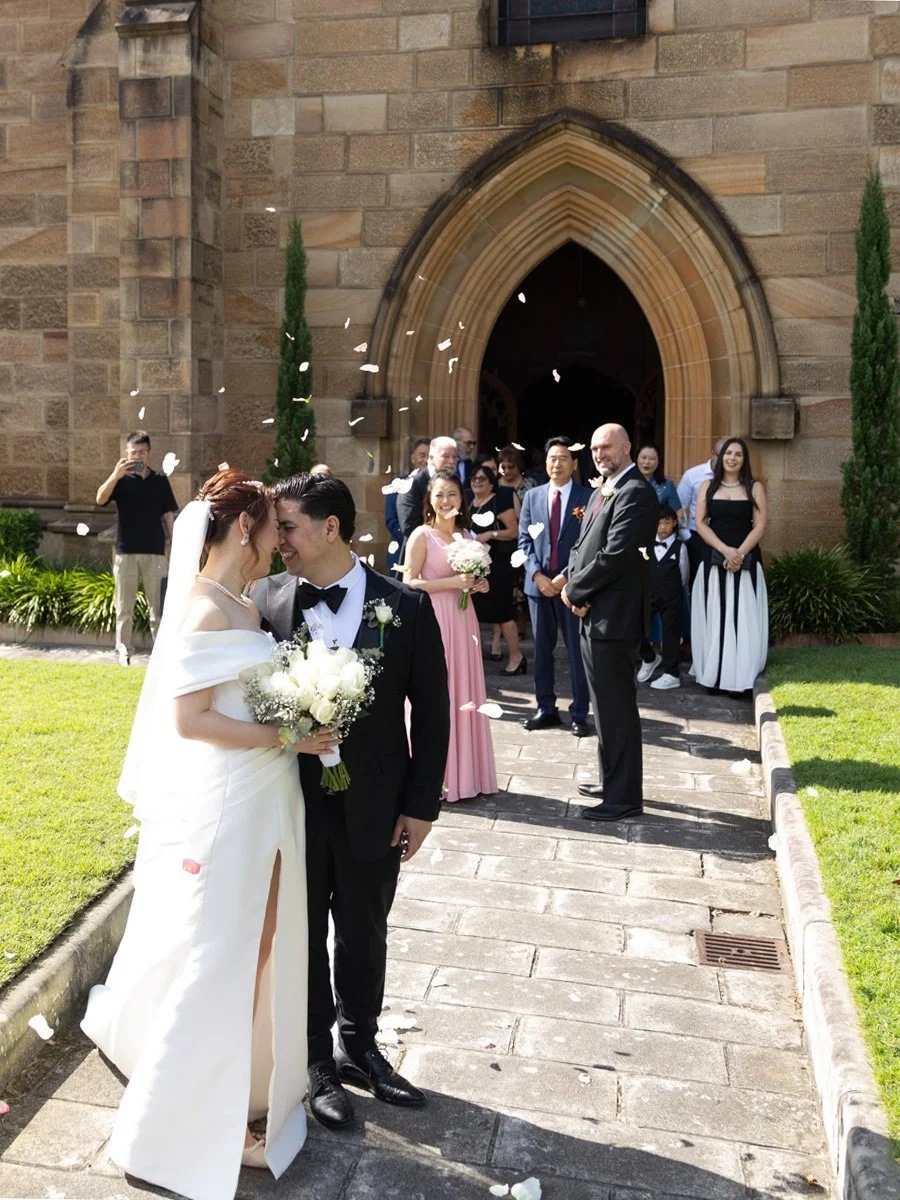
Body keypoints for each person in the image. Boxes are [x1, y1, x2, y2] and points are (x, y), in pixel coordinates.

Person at [82, 470, 330, 1200]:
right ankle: (167, 1126)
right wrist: (284, 733)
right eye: (268, 527)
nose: (275, 539)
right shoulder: (200, 610)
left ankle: (242, 1095)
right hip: (235, 797)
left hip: (272, 796)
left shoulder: (243, 603)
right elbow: (190, 723)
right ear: (239, 530)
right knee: (224, 951)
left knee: (261, 948)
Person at [254, 473, 449, 1131]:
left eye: (288, 526)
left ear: (330, 527)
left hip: (377, 805)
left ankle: (360, 1044)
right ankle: (315, 1062)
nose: (277, 539)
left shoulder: (407, 606)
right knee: (303, 932)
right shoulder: (266, 601)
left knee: (366, 926)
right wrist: (293, 731)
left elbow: (434, 711)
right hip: (292, 803)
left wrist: (423, 806)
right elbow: (248, 700)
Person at [563, 423, 659, 822]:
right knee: (604, 707)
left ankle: (623, 799)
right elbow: (583, 545)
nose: (600, 454)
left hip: (614, 620)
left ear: (627, 447)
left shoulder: (635, 492)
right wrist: (571, 580)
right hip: (596, 614)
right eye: (595, 448)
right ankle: (612, 778)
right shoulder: (607, 488)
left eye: (607, 447)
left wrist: (575, 591)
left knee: (616, 708)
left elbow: (616, 556)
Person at [404, 472, 498, 803]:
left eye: (453, 495)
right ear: (429, 500)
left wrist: (477, 585)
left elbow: (469, 581)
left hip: (464, 620)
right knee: (437, 694)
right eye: (440, 495)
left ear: (462, 499)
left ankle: (468, 775)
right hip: (434, 620)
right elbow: (408, 583)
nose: (447, 501)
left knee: (465, 691)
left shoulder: (467, 535)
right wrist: (452, 583)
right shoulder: (421, 536)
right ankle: (437, 776)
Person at [519, 437, 593, 737]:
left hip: (571, 587)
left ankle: (579, 713)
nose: (557, 464)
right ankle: (545, 708)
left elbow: (588, 543)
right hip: (538, 587)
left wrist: (565, 576)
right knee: (542, 650)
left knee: (576, 652)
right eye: (552, 458)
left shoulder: (587, 498)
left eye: (563, 458)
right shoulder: (532, 496)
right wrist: (537, 575)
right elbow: (523, 541)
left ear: (574, 464)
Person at [691, 437, 768, 695]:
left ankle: (741, 677)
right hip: (714, 557)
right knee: (716, 614)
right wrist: (725, 551)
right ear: (720, 456)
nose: (732, 458)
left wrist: (739, 554)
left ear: (744, 460)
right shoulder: (707, 486)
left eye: (738, 454)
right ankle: (714, 675)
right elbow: (701, 524)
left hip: (746, 557)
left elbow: (760, 525)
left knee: (741, 614)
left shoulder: (754, 487)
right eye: (728, 453)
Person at [96, 431, 178, 667]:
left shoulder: (160, 480)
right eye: (133, 453)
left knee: (159, 609)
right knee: (124, 608)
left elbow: (168, 515)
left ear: (149, 453)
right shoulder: (120, 481)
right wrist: (115, 474)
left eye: (142, 452)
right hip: (126, 552)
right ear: (126, 454)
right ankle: (124, 649)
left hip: (155, 552)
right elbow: (100, 499)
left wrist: (173, 545)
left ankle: (161, 652)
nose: (138, 456)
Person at [468, 464, 524, 674]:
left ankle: (516, 657)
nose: (477, 482)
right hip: (476, 566)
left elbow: (514, 531)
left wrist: (490, 534)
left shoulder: (498, 500)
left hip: (498, 565)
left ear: (491, 482)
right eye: (474, 478)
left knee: (503, 612)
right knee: (473, 612)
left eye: (482, 479)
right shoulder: (470, 502)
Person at [636, 504, 689, 691]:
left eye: (666, 523)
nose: (662, 528)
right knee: (637, 628)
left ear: (674, 523)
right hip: (649, 595)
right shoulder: (647, 545)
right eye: (658, 523)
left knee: (671, 634)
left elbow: (683, 574)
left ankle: (671, 673)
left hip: (671, 596)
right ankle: (649, 658)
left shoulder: (679, 547)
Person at [677, 437, 727, 582]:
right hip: (698, 538)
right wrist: (688, 537)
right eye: (722, 455)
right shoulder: (693, 475)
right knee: (699, 582)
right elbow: (679, 508)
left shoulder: (736, 479)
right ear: (713, 454)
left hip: (725, 536)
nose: (726, 460)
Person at [395, 434, 458, 546]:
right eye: (446, 456)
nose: (452, 461)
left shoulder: (457, 483)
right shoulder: (412, 484)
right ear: (431, 458)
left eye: (454, 457)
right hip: (422, 552)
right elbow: (409, 526)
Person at [385, 437, 429, 574]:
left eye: (430, 456)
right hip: (402, 553)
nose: (426, 460)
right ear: (413, 458)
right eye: (422, 455)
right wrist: (415, 542)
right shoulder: (398, 484)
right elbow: (391, 520)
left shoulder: (440, 485)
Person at [636, 444, 683, 521]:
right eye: (643, 458)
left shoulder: (667, 485)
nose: (647, 462)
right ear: (637, 459)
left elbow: (678, 512)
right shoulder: (626, 481)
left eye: (652, 459)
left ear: (658, 462)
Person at [498, 445, 535, 514]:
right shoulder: (494, 485)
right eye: (503, 467)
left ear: (519, 465)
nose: (506, 471)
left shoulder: (530, 485)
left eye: (511, 467)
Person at [453, 425, 477, 489]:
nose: (472, 447)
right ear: (456, 442)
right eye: (468, 443)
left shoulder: (470, 464)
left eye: (473, 443)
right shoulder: (445, 462)